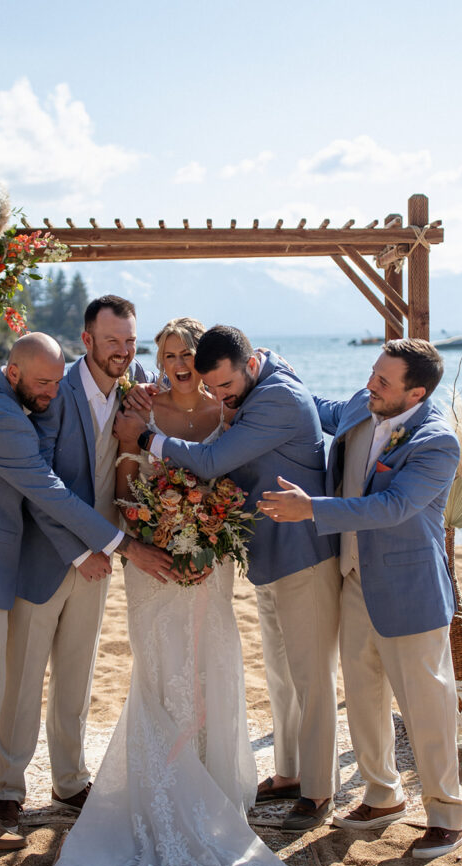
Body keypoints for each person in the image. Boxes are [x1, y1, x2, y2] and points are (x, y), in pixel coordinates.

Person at [16, 317, 357, 866]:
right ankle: (161, 790)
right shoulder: (138, 404)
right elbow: (122, 482)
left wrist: (204, 529)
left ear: (204, 364)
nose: (177, 364)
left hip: (213, 559)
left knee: (214, 664)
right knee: (161, 669)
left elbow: (225, 476)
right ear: (158, 358)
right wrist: (147, 529)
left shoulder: (226, 409)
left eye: (187, 356)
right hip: (150, 560)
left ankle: (220, 784)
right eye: (167, 353)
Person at [114, 324, 341, 832]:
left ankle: (319, 791)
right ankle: (290, 773)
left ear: (250, 365)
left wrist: (146, 437)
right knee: (281, 676)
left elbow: (214, 459)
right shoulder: (250, 380)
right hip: (267, 556)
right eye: (212, 387)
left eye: (225, 386)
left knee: (311, 678)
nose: (219, 396)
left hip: (303, 554)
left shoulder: (277, 397)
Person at [258, 338, 462, 860]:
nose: (370, 385)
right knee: (363, 694)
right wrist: (271, 371)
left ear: (416, 393)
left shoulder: (437, 442)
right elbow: (319, 409)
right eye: (373, 373)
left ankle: (448, 814)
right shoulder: (366, 402)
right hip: (354, 579)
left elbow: (392, 506)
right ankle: (382, 795)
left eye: (383, 381)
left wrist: (311, 509)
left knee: (426, 707)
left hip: (409, 589)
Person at [0, 333, 126, 852]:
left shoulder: (0, 399)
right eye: (43, 383)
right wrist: (121, 542)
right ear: (13, 372)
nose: (53, 394)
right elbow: (48, 492)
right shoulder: (0, 417)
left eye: (58, 382)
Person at [0, 297, 175, 832]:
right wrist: (80, 551)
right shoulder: (56, 393)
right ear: (87, 341)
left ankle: (69, 780)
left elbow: (180, 381)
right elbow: (39, 487)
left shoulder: (135, 383)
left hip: (102, 557)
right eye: (112, 340)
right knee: (23, 679)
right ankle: (7, 787)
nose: (123, 350)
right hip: (49, 555)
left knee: (77, 674)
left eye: (130, 341)